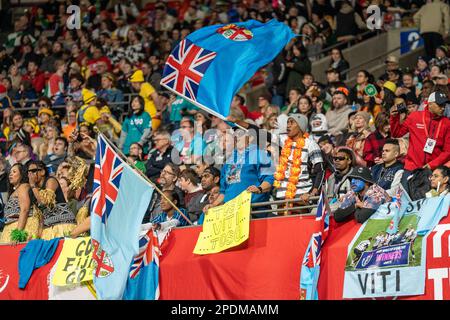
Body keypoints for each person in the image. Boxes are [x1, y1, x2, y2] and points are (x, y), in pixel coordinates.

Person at [390, 91, 450, 192]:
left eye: (444, 105)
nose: (443, 107)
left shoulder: (447, 123)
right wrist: (394, 118)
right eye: (440, 105)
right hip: (411, 167)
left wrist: (432, 165)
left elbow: (448, 151)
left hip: (432, 171)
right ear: (430, 104)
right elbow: (397, 134)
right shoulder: (415, 117)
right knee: (405, 200)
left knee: (427, 202)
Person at [212, 128, 274, 218]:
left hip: (253, 211)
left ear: (251, 138)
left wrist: (259, 189)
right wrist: (214, 205)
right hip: (230, 213)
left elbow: (269, 178)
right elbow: (223, 191)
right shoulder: (229, 160)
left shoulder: (259, 154)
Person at [274, 114, 324, 206]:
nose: (288, 125)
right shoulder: (283, 142)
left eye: (292, 122)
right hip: (282, 196)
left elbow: (320, 170)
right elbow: (263, 135)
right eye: (287, 122)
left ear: (300, 126)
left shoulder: (311, 144)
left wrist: (313, 192)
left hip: (301, 196)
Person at [28, 160, 77, 240]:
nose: (30, 174)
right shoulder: (34, 190)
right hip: (48, 228)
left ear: (42, 172)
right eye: (28, 172)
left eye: (33, 171)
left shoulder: (51, 181)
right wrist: (37, 235)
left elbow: (44, 201)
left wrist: (33, 186)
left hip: (63, 225)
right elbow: (40, 216)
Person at [0, 163, 40, 243]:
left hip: (21, 227)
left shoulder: (23, 187)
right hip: (10, 228)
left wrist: (18, 234)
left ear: (21, 175)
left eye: (14, 172)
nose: (10, 174)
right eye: (10, 172)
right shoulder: (14, 191)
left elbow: (25, 210)